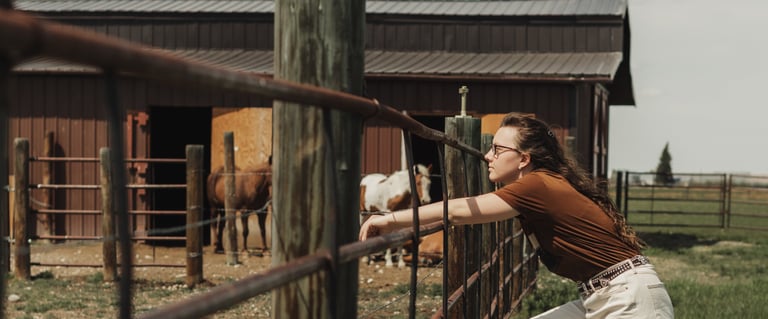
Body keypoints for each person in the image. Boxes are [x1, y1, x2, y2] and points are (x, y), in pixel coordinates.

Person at [359, 112, 674, 318]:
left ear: (523, 159)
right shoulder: (539, 186)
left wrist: (388, 219)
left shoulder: (536, 185)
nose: (487, 156)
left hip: (630, 302)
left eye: (497, 149)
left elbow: (457, 211)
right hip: (607, 296)